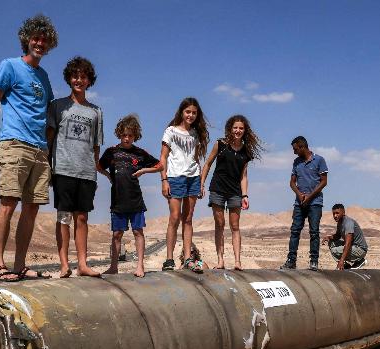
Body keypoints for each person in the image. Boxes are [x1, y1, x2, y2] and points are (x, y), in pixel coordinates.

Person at [0, 14, 58, 282]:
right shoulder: (10, 66)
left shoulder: (44, 76)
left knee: (32, 208)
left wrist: (49, 148)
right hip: (14, 143)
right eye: (36, 38)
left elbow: (49, 113)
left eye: (44, 40)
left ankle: (20, 265)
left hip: (39, 150)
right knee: (8, 203)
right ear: (26, 39)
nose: (40, 43)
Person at [46, 56, 106, 278]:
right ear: (69, 79)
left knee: (82, 217)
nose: (79, 80)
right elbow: (49, 138)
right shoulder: (58, 106)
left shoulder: (96, 111)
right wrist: (48, 166)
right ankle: (64, 264)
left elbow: (96, 145)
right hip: (62, 169)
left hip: (86, 172)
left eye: (83, 76)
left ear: (89, 80)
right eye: (75, 76)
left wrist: (94, 172)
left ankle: (82, 264)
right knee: (64, 217)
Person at [99, 114, 163, 278]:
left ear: (135, 135)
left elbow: (160, 165)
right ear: (119, 134)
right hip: (118, 200)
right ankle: (113, 267)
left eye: (130, 135)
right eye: (124, 135)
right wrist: (107, 175)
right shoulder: (111, 152)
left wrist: (143, 170)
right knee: (116, 234)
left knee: (138, 232)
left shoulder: (140, 153)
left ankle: (140, 266)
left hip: (135, 199)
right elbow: (98, 166)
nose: (127, 138)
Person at [199, 114, 263, 270]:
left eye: (241, 128)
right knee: (219, 224)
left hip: (235, 192)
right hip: (218, 189)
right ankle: (220, 260)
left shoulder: (246, 151)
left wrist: (245, 194)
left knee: (235, 226)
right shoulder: (220, 144)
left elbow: (244, 175)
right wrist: (200, 184)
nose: (238, 130)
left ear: (245, 130)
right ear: (230, 128)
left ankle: (237, 262)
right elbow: (207, 164)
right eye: (235, 127)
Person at [160, 97, 209, 273]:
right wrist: (164, 180)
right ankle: (169, 259)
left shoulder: (196, 134)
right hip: (175, 178)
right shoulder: (171, 131)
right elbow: (163, 158)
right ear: (182, 112)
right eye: (188, 111)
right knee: (174, 218)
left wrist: (200, 182)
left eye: (194, 113)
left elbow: (195, 158)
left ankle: (188, 258)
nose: (190, 115)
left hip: (193, 178)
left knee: (188, 219)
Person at [281, 136, 328, 271]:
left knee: (314, 232)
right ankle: (291, 261)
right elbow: (292, 182)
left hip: (315, 203)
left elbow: (324, 181)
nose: (294, 152)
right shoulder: (296, 162)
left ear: (302, 147)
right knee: (295, 230)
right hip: (299, 203)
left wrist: (310, 196)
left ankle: (313, 261)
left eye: (295, 149)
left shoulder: (319, 160)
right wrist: (300, 195)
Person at [322, 203, 368, 270]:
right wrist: (328, 238)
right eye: (333, 214)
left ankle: (358, 261)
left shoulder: (348, 223)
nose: (335, 216)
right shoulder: (340, 223)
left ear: (343, 213)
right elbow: (337, 236)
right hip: (353, 246)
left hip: (360, 249)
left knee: (334, 251)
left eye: (337, 213)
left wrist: (341, 260)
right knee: (331, 243)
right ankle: (346, 265)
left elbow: (348, 243)